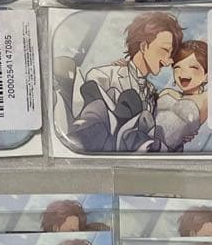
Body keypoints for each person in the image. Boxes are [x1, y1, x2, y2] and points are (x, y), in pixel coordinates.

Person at [67, 11, 184, 153]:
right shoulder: (105, 76)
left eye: (171, 54)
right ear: (144, 46)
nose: (169, 60)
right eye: (165, 50)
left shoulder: (152, 96)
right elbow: (83, 114)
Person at [157, 41, 210, 151]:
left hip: (171, 152)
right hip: (145, 144)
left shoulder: (206, 98)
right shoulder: (168, 93)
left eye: (193, 67)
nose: (183, 73)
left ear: (206, 75)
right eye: (177, 67)